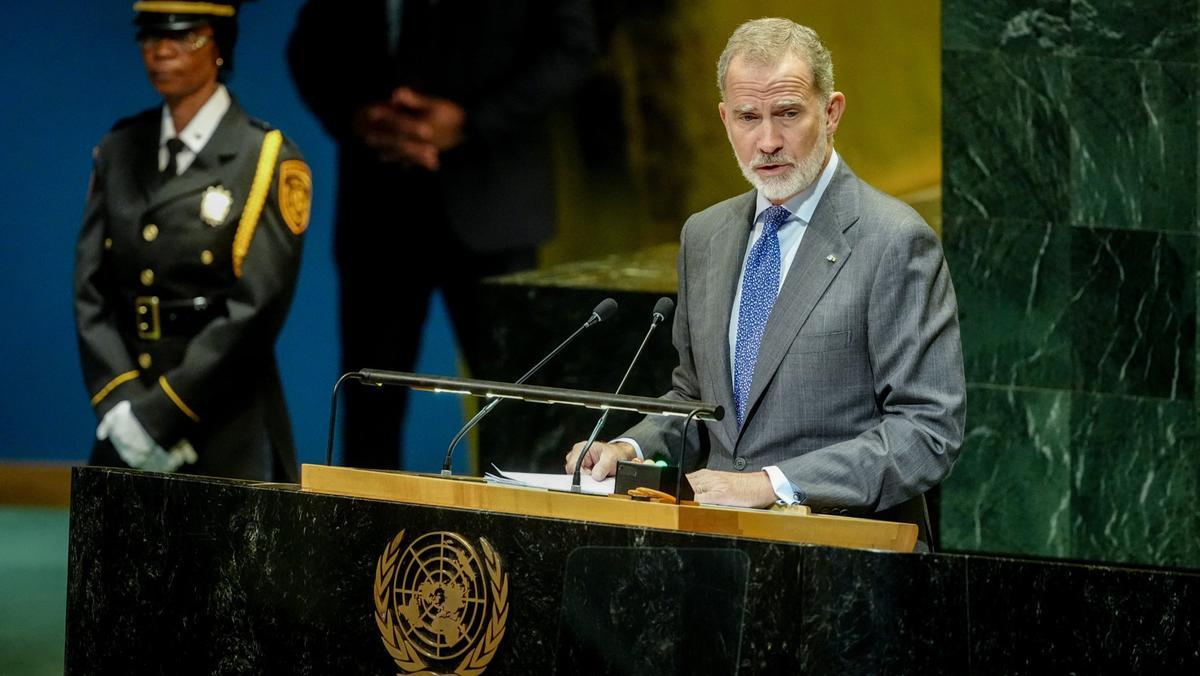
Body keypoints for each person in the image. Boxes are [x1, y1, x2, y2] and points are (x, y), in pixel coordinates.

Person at [564, 18, 965, 548]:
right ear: (725, 118)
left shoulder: (894, 240)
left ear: (832, 112)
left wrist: (772, 484)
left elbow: (927, 430)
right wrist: (629, 450)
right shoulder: (704, 235)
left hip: (845, 558)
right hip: (717, 555)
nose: (768, 141)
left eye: (788, 114)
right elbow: (697, 400)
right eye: (749, 117)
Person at [287, 0, 596, 470]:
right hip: (378, 208)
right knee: (369, 418)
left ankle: (508, 522)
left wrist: (473, 121)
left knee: (514, 414)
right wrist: (358, 116)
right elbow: (308, 47)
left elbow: (572, 47)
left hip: (495, 205)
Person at [75, 1, 310, 481]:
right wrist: (123, 407)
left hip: (225, 420)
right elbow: (91, 291)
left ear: (220, 44)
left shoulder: (264, 158)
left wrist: (161, 416)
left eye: (185, 37)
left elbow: (256, 309)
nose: (162, 51)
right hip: (128, 416)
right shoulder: (119, 149)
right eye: (151, 36)